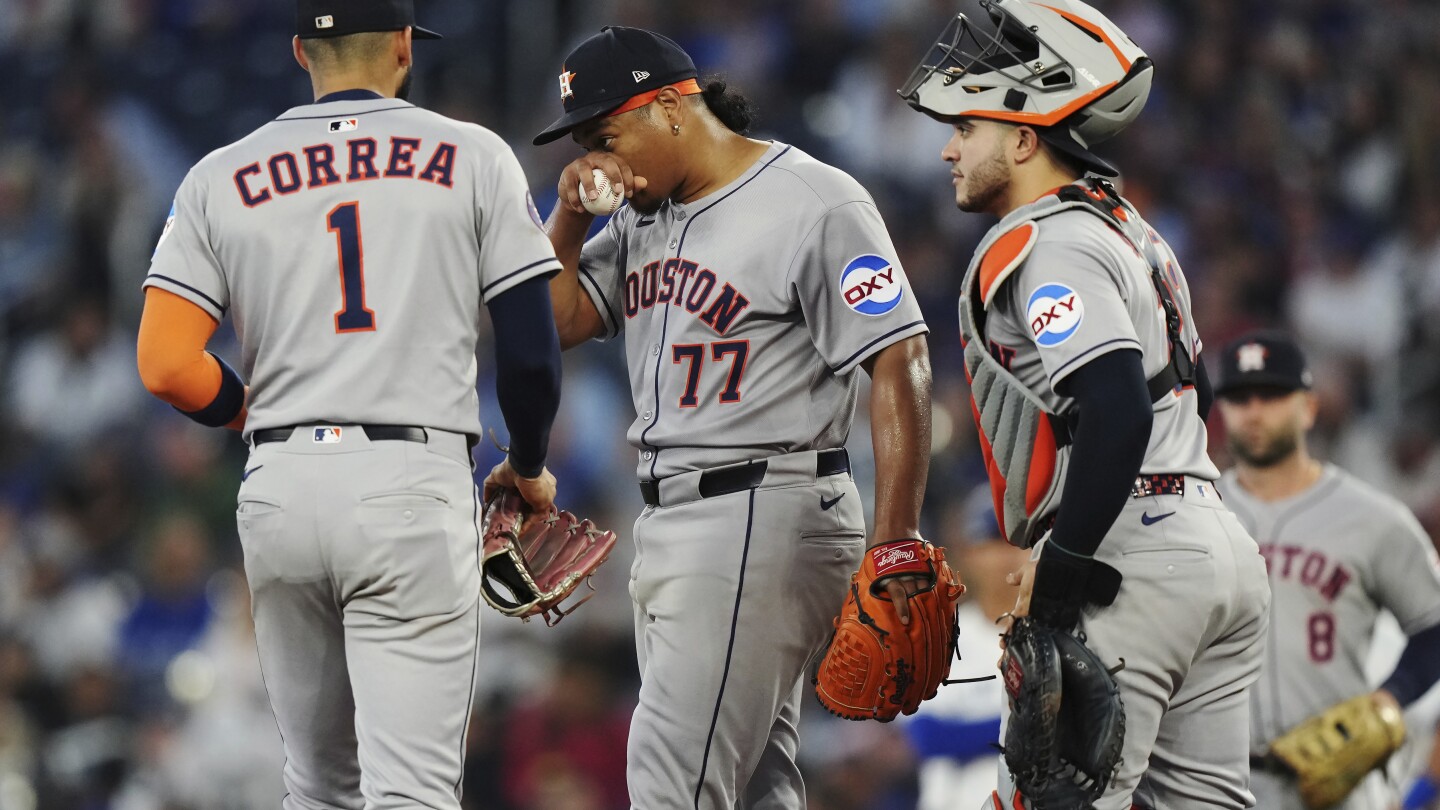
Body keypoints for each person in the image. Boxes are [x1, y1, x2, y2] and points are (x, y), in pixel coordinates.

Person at [135, 1, 565, 807]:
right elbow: (532, 354)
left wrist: (246, 413)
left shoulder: (220, 174)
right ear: (404, 47)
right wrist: (530, 462)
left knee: (318, 788)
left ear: (302, 52)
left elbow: (163, 365)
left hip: (281, 486)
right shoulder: (473, 155)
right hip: (409, 479)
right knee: (412, 792)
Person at [533, 25, 935, 809]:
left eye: (607, 136)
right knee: (753, 782)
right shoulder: (644, 217)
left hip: (761, 504)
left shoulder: (812, 200)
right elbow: (559, 321)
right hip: (688, 520)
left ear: (673, 107)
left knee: (670, 779)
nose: (600, 162)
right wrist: (572, 216)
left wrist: (896, 542)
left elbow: (900, 356)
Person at [900, 1, 1271, 807]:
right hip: (1215, 544)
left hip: (1128, 554)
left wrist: (1065, 570)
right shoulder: (1130, 230)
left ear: (1026, 136)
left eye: (968, 126)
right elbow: (1185, 396)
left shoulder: (1047, 240)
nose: (947, 145)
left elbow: (1115, 408)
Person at [1214, 330, 1440, 810]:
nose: (1254, 411)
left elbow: (1433, 624)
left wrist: (1391, 697)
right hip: (1215, 785)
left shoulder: (1373, 518)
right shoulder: (1195, 516)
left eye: (1272, 395)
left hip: (1340, 786)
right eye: (1239, 397)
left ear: (1309, 408)